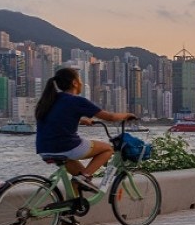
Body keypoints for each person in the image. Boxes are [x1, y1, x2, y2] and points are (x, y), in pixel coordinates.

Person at [34, 66, 135, 194]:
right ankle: (83, 178)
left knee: (80, 174)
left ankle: (69, 209)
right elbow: (110, 117)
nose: (81, 83)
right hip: (66, 146)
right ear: (74, 83)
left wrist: (81, 120)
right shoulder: (77, 100)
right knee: (107, 149)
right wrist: (127, 115)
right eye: (79, 80)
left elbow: (57, 119)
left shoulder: (50, 100)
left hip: (44, 149)